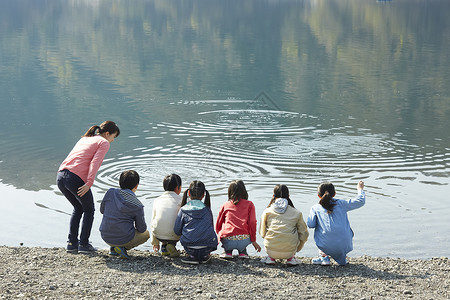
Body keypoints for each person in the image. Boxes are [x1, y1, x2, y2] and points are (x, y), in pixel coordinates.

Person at [57, 121, 120, 254]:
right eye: (113, 137)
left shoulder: (86, 138)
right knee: (89, 210)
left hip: (61, 176)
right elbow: (95, 162)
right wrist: (89, 182)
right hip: (74, 178)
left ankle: (72, 243)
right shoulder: (103, 142)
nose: (112, 140)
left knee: (78, 208)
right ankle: (84, 244)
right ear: (107, 133)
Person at [307, 181, 365, 266]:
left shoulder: (315, 208)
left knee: (321, 230)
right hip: (345, 245)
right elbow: (361, 201)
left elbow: (310, 225)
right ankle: (342, 258)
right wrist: (360, 189)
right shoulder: (342, 204)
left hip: (325, 244)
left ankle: (324, 256)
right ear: (334, 194)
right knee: (342, 229)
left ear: (319, 196)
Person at [99, 170, 149, 259]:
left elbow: (102, 210)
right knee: (146, 234)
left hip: (105, 236)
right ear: (136, 185)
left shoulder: (110, 192)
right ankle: (121, 247)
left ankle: (113, 249)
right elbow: (141, 229)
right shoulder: (137, 205)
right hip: (123, 238)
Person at [259, 184, 309, 266]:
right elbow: (304, 235)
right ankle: (291, 258)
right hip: (290, 251)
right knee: (295, 230)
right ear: (289, 196)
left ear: (273, 196)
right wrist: (297, 249)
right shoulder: (297, 213)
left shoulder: (267, 211)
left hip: (271, 250)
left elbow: (262, 233)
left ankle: (271, 258)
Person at [173, 180, 217, 264]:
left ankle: (192, 256)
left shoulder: (183, 210)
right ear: (203, 195)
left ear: (188, 193)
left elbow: (176, 230)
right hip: (207, 246)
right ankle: (204, 256)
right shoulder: (207, 209)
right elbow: (211, 227)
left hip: (189, 246)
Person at [215, 180, 261, 259]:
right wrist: (253, 240)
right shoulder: (250, 204)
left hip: (228, 240)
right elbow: (252, 223)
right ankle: (243, 252)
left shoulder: (225, 205)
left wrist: (219, 236)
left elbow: (218, 224)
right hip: (244, 240)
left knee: (226, 233)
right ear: (244, 191)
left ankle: (227, 252)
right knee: (243, 237)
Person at [151, 174, 182, 258]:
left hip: (158, 234)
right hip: (175, 235)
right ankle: (171, 245)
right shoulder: (181, 200)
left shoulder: (157, 200)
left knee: (159, 220)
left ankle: (164, 247)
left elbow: (153, 220)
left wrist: (155, 242)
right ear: (177, 187)